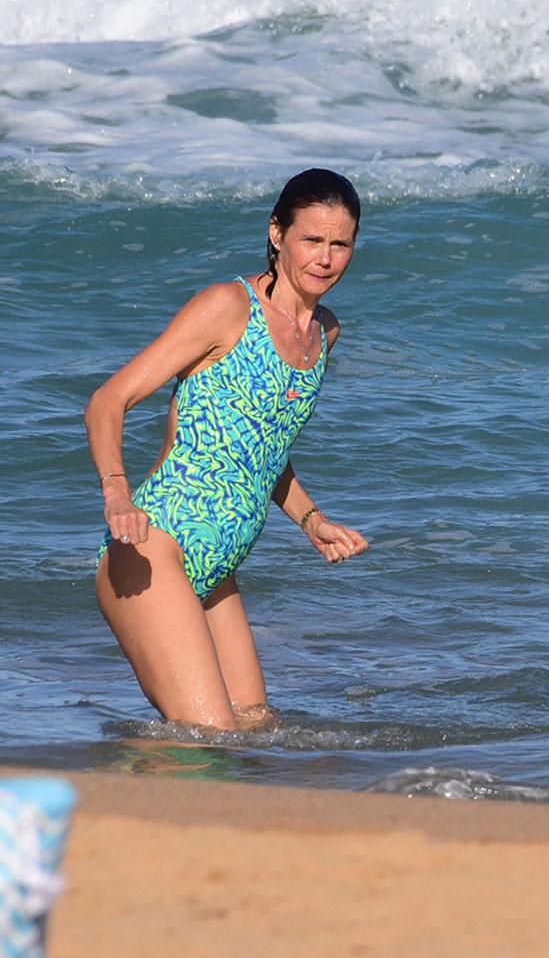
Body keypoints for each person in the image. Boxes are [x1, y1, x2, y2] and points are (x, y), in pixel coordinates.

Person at [85, 168, 370, 731]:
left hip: (216, 568)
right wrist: (117, 495)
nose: (326, 258)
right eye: (311, 239)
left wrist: (311, 520)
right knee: (204, 738)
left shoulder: (324, 334)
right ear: (276, 233)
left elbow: (261, 447)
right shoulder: (227, 307)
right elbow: (107, 401)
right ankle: (101, 803)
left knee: (255, 729)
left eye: (341, 243)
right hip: (153, 548)